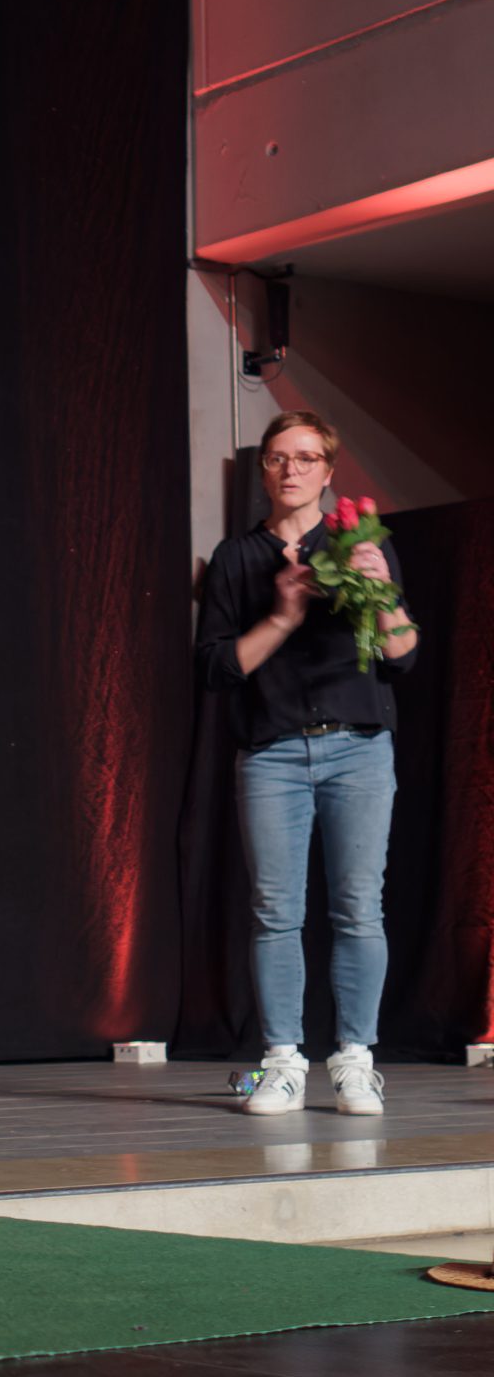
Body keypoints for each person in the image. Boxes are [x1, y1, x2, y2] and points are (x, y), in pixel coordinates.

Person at [197, 410, 417, 1117]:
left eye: (305, 457)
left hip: (359, 748)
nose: (290, 469)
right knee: (275, 912)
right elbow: (217, 668)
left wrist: (381, 590)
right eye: (276, 458)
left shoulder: (359, 544)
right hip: (273, 755)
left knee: (358, 908)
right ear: (262, 470)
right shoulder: (236, 558)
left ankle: (355, 1061)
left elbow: (403, 654)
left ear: (328, 471)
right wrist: (284, 616)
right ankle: (283, 1063)